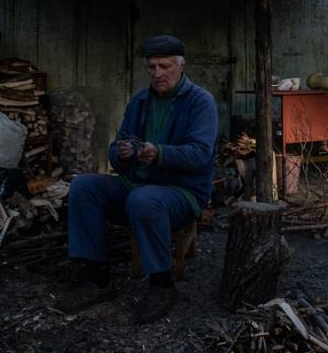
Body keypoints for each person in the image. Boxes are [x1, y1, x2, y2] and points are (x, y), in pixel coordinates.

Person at [66, 34, 217, 322]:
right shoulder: (141, 101)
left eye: (165, 66)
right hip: (136, 184)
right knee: (83, 186)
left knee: (144, 200)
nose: (157, 73)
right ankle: (98, 278)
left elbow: (200, 154)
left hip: (182, 191)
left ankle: (162, 284)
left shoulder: (200, 102)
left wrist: (160, 153)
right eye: (151, 67)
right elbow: (118, 147)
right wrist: (121, 154)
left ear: (181, 65)